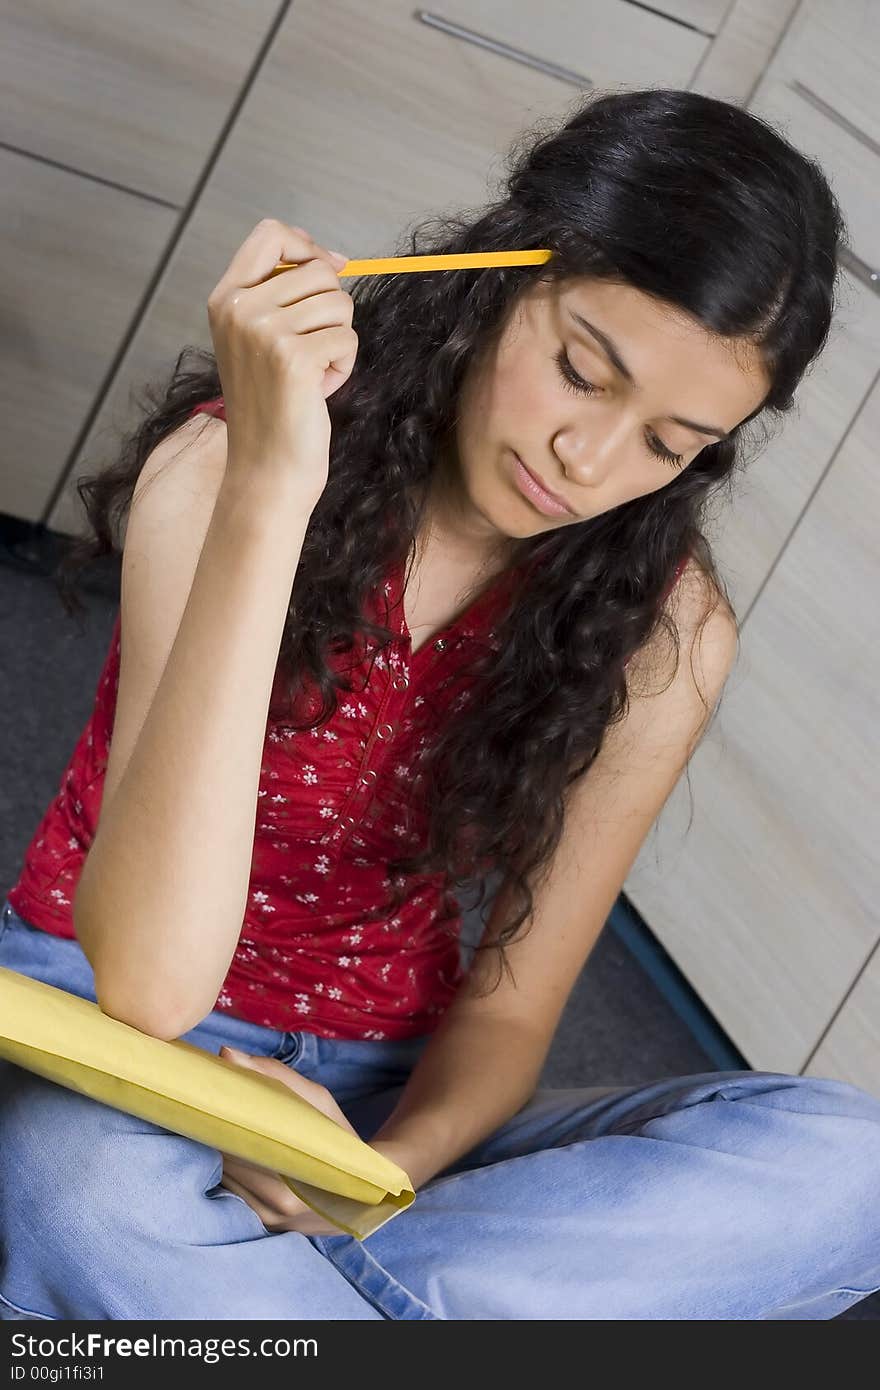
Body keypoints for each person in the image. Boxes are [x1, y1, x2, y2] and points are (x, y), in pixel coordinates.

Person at [1, 86, 878, 1322]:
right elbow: (149, 981)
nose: (591, 462)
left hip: (372, 1104)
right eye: (583, 370)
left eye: (668, 443)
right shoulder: (223, 469)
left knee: (854, 1168)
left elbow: (511, 1019)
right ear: (499, 274)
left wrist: (373, 1180)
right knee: (78, 1189)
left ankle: (244, 1308)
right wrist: (272, 483)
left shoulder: (663, 629)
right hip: (104, 1031)